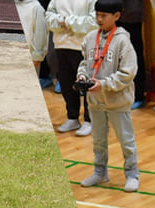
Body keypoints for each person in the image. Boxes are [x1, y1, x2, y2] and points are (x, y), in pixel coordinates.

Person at [78, 0, 143, 192]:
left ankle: (132, 174)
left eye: (104, 16)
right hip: (95, 101)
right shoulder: (90, 38)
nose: (99, 19)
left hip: (117, 102)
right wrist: (82, 75)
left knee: (126, 139)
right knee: (98, 138)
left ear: (116, 16)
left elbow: (128, 72)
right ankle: (100, 171)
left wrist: (105, 84)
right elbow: (85, 62)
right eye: (97, 15)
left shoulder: (123, 40)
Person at [49, 0, 101, 136]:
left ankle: (90, 120)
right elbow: (48, 17)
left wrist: (68, 22)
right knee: (66, 84)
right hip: (61, 44)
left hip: (83, 45)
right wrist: (61, 21)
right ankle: (72, 117)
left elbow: (93, 21)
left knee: (87, 84)